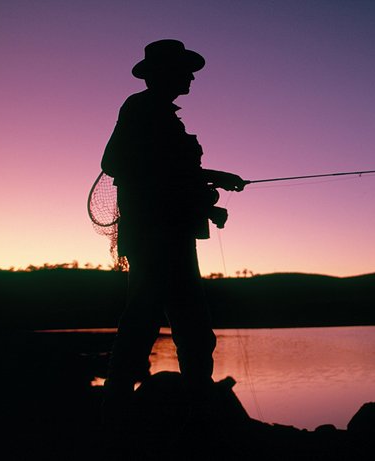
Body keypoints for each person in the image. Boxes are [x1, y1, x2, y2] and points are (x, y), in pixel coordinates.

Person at [100, 39, 246, 428]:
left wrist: (210, 191)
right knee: (160, 322)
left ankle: (187, 404)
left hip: (171, 233)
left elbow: (169, 175)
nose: (191, 77)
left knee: (182, 324)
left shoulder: (161, 115)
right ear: (163, 73)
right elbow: (115, 162)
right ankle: (125, 407)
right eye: (185, 70)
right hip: (157, 237)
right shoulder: (141, 108)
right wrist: (208, 183)